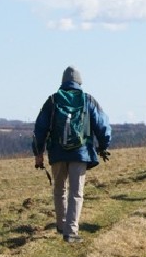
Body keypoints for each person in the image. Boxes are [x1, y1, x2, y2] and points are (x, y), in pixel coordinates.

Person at [33, 66, 112, 244]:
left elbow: (40, 128)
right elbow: (102, 124)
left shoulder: (53, 100)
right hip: (80, 152)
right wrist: (103, 145)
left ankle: (61, 226)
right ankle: (71, 231)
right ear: (79, 82)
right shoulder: (88, 100)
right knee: (76, 192)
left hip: (57, 152)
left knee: (59, 189)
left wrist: (38, 152)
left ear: (63, 81)